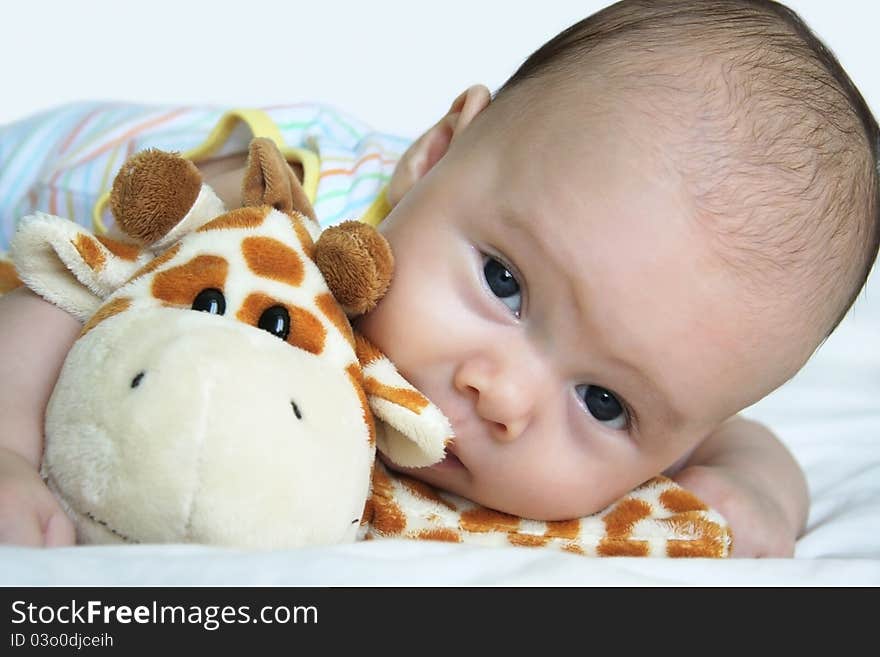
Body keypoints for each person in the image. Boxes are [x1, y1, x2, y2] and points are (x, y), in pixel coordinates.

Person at [0, 0, 876, 557]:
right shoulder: (274, 218)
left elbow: (733, 442)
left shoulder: (653, 348)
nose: (502, 396)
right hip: (62, 186)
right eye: (504, 281)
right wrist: (8, 452)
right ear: (437, 156)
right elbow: (67, 294)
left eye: (604, 403)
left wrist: (762, 488)